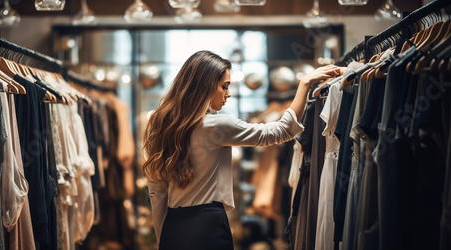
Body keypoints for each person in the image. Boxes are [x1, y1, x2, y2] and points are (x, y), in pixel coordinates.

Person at [143, 50, 340, 250]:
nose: (228, 94)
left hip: (173, 227)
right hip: (207, 225)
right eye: (224, 87)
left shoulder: (159, 125)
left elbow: (156, 193)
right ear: (206, 86)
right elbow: (281, 131)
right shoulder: (215, 125)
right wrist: (304, 84)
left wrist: (163, 238)